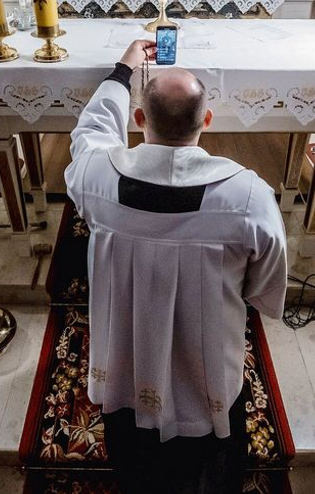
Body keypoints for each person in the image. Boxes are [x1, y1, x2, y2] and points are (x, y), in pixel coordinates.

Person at [64, 40, 288, 493]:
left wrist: (123, 70)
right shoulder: (248, 196)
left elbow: (90, 130)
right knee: (206, 460)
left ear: (140, 120)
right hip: (206, 362)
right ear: (207, 121)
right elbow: (264, 283)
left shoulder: (95, 178)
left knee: (134, 457)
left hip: (124, 355)